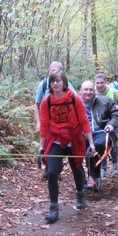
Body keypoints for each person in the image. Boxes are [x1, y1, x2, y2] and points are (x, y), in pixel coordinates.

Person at [39, 70, 95, 223]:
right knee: (51, 172)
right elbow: (44, 124)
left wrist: (91, 142)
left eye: (58, 81)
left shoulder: (74, 98)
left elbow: (84, 120)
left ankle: (80, 194)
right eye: (53, 81)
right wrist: (41, 147)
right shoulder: (46, 101)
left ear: (64, 82)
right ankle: (53, 207)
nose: (55, 84)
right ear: (50, 84)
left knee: (76, 167)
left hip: (73, 136)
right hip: (56, 138)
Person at [34, 61, 76, 178]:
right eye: (53, 71)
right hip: (47, 121)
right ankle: (50, 167)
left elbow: (75, 101)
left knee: (60, 145)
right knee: (46, 146)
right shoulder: (43, 85)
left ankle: (56, 167)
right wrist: (38, 122)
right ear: (49, 72)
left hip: (63, 122)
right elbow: (36, 105)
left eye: (58, 71)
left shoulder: (67, 85)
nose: (56, 73)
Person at [79, 81, 118, 190]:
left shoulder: (104, 101)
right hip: (81, 133)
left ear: (94, 91)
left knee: (96, 146)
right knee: (74, 150)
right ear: (81, 90)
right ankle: (81, 178)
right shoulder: (75, 103)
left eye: (90, 90)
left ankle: (93, 176)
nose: (88, 92)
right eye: (85, 89)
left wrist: (111, 125)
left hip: (101, 132)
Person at [94, 72, 118, 176]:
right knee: (101, 145)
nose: (99, 85)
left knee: (113, 143)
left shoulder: (113, 92)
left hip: (114, 122)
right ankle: (103, 167)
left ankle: (115, 165)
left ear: (105, 82)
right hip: (100, 123)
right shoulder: (92, 93)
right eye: (97, 83)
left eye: (101, 83)